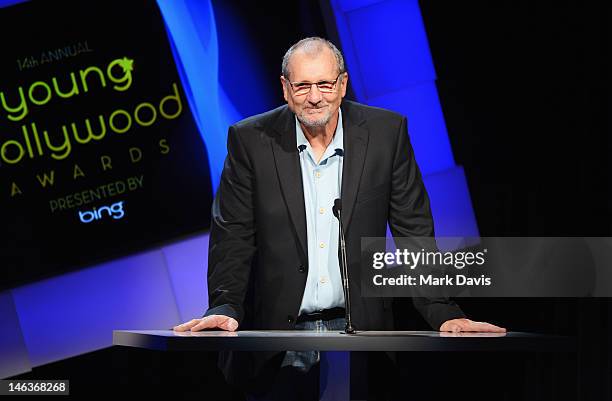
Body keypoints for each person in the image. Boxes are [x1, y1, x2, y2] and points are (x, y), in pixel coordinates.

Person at [174, 37, 505, 399]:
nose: (315, 96)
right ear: (285, 89)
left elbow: (414, 233)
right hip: (279, 337)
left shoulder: (385, 134)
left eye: (325, 84)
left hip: (360, 331)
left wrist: (441, 310)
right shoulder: (250, 140)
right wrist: (226, 305)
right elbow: (232, 235)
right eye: (302, 86)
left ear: (342, 84)